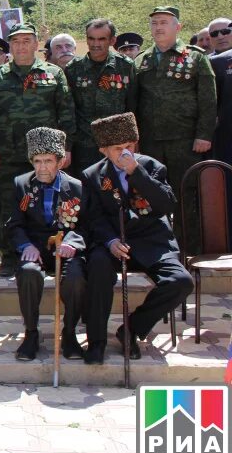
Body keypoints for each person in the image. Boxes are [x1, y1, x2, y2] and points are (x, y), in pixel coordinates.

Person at [81, 112, 194, 364]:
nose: (125, 153)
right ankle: (96, 340)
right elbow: (93, 218)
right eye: (118, 148)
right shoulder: (92, 176)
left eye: (129, 146)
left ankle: (132, 328)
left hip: (151, 241)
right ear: (104, 151)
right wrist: (110, 241)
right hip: (113, 242)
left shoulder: (152, 167)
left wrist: (136, 172)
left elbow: (166, 205)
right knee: (97, 267)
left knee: (181, 281)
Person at [0, 23, 75, 278]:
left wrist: (66, 149)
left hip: (46, 156)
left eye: (27, 41)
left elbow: (66, 114)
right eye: (16, 42)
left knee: (51, 205)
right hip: (11, 153)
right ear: (10, 46)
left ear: (36, 44)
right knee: (9, 206)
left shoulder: (53, 73)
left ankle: (51, 253)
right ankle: (10, 257)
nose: (21, 46)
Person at [132, 6, 215, 259]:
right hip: (150, 143)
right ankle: (155, 254)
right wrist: (134, 141)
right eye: (155, 22)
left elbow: (208, 100)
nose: (158, 27)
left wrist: (204, 135)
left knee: (185, 197)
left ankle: (189, 253)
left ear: (177, 26)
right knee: (148, 198)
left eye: (164, 22)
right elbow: (132, 104)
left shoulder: (195, 58)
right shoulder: (141, 60)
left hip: (186, 142)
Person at [6, 127, 88, 361]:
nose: (42, 167)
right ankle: (31, 332)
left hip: (67, 248)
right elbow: (14, 224)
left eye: (48, 161)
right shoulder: (21, 184)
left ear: (60, 161)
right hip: (36, 249)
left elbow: (85, 226)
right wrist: (26, 246)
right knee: (28, 273)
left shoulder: (77, 188)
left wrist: (72, 242)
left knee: (75, 277)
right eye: (37, 161)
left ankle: (70, 332)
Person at [63, 19, 137, 176]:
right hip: (84, 146)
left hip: (117, 145)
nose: (95, 43)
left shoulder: (125, 66)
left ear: (112, 41)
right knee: (86, 193)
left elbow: (133, 106)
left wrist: (134, 143)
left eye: (101, 39)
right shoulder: (73, 69)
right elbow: (69, 110)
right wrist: (68, 145)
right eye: (91, 38)